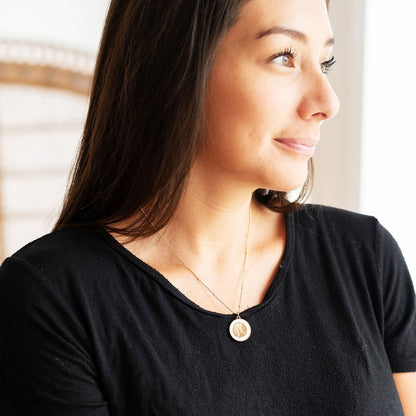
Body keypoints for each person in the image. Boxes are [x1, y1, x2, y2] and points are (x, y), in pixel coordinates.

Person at [1, 0, 415, 414]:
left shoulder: (366, 258)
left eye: (325, 62)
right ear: (176, 65)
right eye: (283, 57)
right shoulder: (51, 298)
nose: (327, 101)